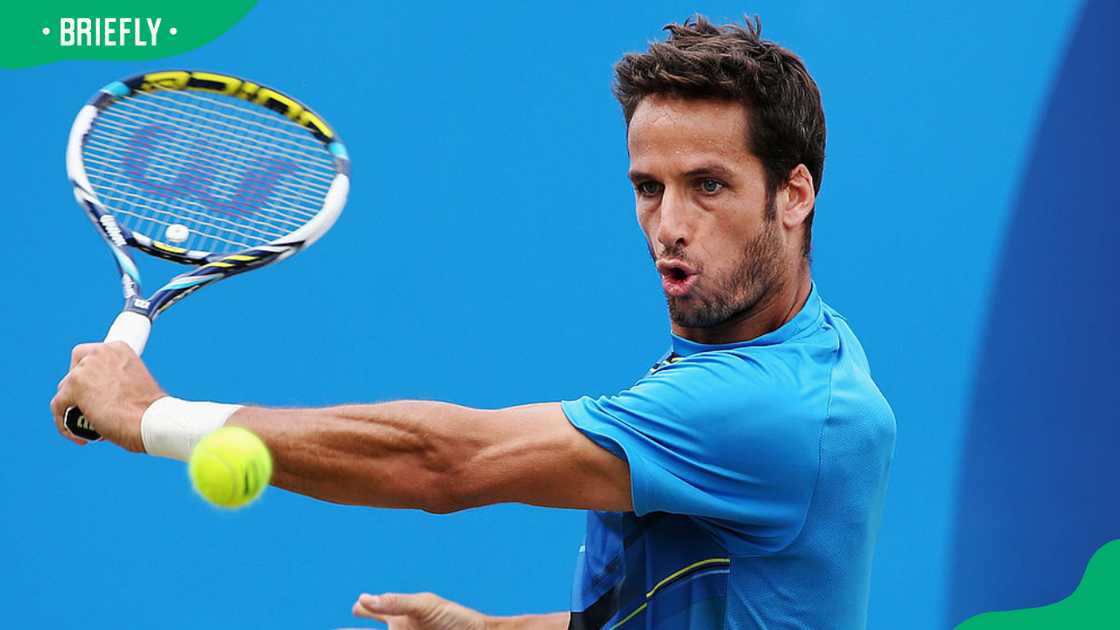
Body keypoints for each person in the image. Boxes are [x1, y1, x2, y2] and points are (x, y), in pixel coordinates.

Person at [51, 16, 895, 630]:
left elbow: (442, 462)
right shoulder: (801, 352)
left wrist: (147, 417)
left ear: (794, 194)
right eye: (649, 187)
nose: (669, 223)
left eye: (708, 185)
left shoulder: (772, 408)